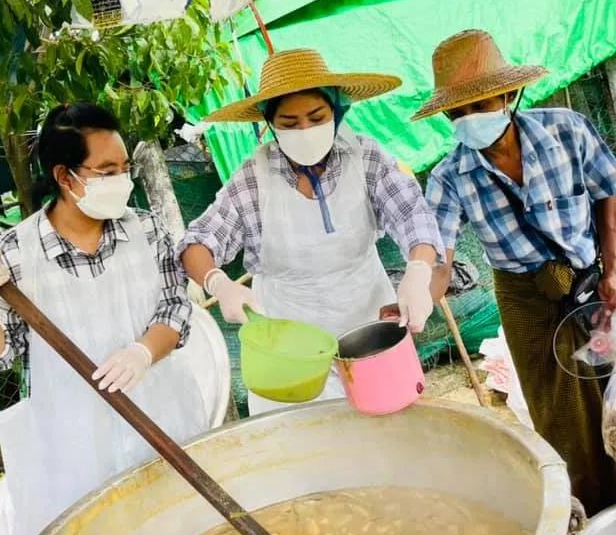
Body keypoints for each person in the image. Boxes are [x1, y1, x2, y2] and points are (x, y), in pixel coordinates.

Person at [0, 103, 208, 535]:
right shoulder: (16, 254)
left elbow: (175, 307)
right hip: (75, 440)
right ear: (65, 176)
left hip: (163, 415)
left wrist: (142, 352)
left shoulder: (146, 230)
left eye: (125, 167)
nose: (122, 179)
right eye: (106, 170)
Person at [415, 29, 616, 516]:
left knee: (609, 393)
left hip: (591, 280)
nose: (469, 120)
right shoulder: (449, 177)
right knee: (561, 412)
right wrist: (417, 298)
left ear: (508, 94)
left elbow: (609, 192)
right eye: (457, 112)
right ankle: (591, 515)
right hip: (526, 298)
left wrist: (613, 269)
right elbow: (436, 255)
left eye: (478, 105)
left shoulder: (566, 131)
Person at [179, 48, 444, 415]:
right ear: (271, 124)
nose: (304, 130)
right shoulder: (253, 179)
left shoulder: (365, 157)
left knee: (387, 441)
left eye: (316, 117)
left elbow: (413, 213)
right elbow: (196, 242)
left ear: (336, 111)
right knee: (307, 454)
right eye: (289, 123)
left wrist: (418, 271)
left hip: (370, 336)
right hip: (290, 355)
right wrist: (217, 282)